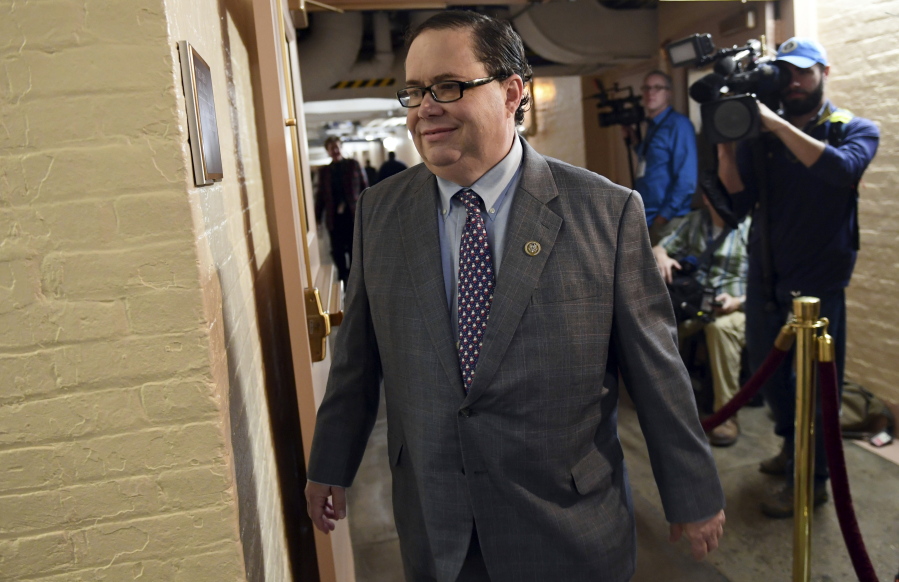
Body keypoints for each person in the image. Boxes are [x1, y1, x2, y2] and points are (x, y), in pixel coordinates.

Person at [305, 11, 725, 581]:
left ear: (511, 92)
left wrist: (691, 490)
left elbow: (657, 370)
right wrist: (330, 461)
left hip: (567, 525)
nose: (425, 107)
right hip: (437, 522)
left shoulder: (605, 212)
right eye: (414, 91)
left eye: (448, 86)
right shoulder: (381, 212)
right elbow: (357, 356)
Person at [716, 37, 879, 518]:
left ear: (824, 71)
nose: (794, 82)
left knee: (817, 387)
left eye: (804, 72)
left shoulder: (852, 128)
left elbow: (842, 171)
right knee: (773, 382)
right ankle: (791, 450)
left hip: (821, 281)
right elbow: (738, 204)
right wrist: (727, 146)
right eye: (786, 73)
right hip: (767, 276)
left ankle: (815, 481)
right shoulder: (764, 139)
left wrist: (774, 124)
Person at [653, 195, 751, 447]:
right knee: (659, 319)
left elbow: (768, 282)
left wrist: (738, 301)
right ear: (708, 199)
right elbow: (660, 247)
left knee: (721, 329)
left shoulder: (751, 226)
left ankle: (726, 413)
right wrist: (661, 256)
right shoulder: (696, 221)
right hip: (696, 300)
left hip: (732, 304)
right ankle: (664, 401)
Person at [626, 70, 698, 245]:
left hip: (667, 220)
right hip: (647, 217)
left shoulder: (679, 125)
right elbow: (651, 160)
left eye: (657, 88)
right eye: (647, 88)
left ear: (669, 94)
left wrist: (663, 217)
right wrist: (634, 140)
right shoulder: (652, 126)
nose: (650, 93)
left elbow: (687, 180)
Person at [315, 136, 368, 283]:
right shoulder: (324, 171)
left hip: (352, 214)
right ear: (328, 151)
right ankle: (342, 276)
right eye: (332, 148)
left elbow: (365, 188)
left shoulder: (353, 165)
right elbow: (321, 195)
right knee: (337, 249)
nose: (335, 150)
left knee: (354, 248)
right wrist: (317, 217)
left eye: (337, 147)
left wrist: (368, 211)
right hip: (334, 217)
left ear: (341, 148)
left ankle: (354, 278)